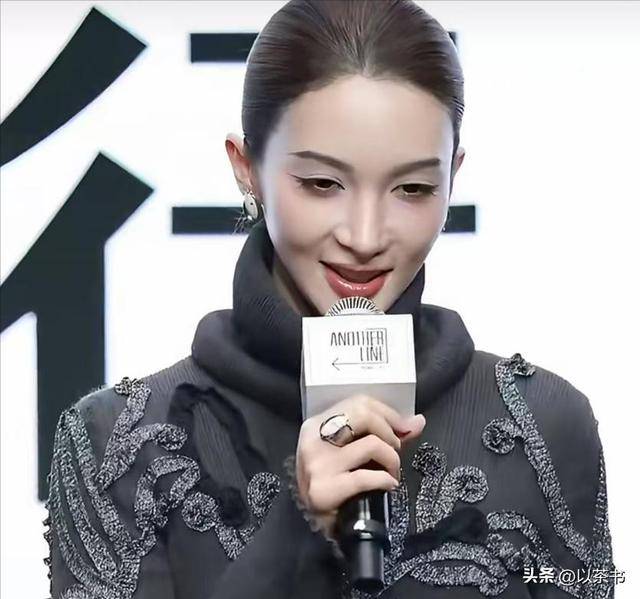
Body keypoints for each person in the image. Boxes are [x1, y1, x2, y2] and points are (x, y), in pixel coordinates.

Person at [44, 1, 617, 598]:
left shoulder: (545, 425)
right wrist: (295, 528)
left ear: (453, 176)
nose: (364, 237)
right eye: (322, 183)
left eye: (413, 188)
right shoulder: (115, 444)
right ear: (246, 167)